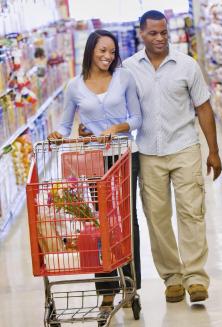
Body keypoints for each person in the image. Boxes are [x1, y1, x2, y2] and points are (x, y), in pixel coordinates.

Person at [123, 10, 222, 303]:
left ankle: (195, 277)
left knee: (192, 212)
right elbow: (117, 107)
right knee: (157, 218)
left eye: (164, 32)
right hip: (149, 153)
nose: (160, 38)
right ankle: (173, 278)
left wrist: (213, 151)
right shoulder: (129, 69)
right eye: (153, 33)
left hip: (185, 148)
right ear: (141, 33)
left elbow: (203, 107)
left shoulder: (186, 65)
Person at [48, 29, 142, 311]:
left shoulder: (124, 77)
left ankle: (129, 284)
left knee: (126, 219)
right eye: (102, 51)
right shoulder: (74, 86)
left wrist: (116, 128)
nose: (108, 56)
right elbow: (65, 125)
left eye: (112, 52)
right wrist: (57, 134)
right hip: (92, 160)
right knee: (99, 222)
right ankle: (107, 290)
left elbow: (137, 117)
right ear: (90, 51)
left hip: (124, 156)